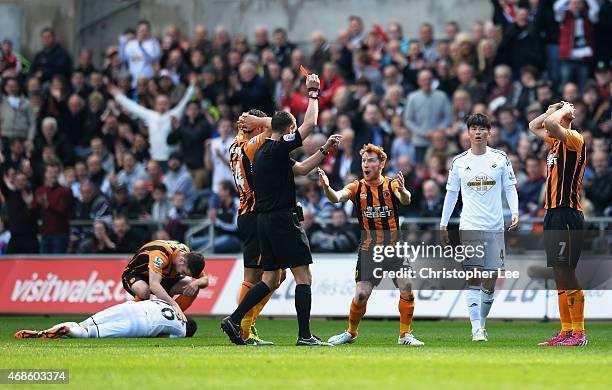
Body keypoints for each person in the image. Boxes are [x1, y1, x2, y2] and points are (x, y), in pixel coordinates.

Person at [221, 73, 338, 347]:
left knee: (271, 277)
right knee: (303, 277)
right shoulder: (273, 147)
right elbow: (310, 123)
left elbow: (300, 169)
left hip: (261, 220)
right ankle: (305, 336)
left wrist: (324, 149)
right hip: (283, 219)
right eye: (291, 130)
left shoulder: (260, 154)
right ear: (286, 131)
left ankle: (235, 320)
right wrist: (312, 93)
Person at [318, 144, 423, 346]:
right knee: (361, 295)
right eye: (364, 160)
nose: (366, 164)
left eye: (371, 160)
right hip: (369, 250)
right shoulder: (357, 187)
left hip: (394, 248)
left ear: (381, 163)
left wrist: (403, 190)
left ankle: (405, 335)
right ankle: (351, 332)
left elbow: (405, 199)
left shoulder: (391, 185)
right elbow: (337, 198)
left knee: (407, 285)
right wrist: (327, 188)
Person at [440, 113, 519, 342]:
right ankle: (476, 328)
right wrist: (444, 223)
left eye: (482, 128)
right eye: (473, 128)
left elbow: (510, 188)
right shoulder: (459, 162)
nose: (478, 132)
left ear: (489, 132)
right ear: (467, 133)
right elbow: (451, 194)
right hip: (470, 226)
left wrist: (514, 211)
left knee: (491, 279)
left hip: (495, 227)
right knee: (474, 276)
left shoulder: (501, 158)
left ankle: (481, 323)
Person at [528, 101, 587, 347]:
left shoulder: (575, 139)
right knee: (558, 272)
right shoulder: (553, 144)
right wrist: (553, 109)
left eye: (557, 118)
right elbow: (534, 125)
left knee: (567, 271)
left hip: (567, 213)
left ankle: (579, 333)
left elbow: (550, 124)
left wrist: (567, 110)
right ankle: (565, 331)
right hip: (552, 213)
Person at [109, 76, 196, 164]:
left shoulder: (175, 113)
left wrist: (192, 85)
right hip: (155, 159)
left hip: (172, 159)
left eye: (164, 103)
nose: (162, 106)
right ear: (155, 105)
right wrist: (118, 96)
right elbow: (133, 107)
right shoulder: (150, 115)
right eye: (160, 104)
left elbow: (185, 100)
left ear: (169, 104)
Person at [15, 299, 197, 339]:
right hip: (140, 324)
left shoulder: (166, 303)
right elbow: (163, 337)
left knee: (84, 324)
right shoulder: (181, 330)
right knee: (87, 334)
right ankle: (67, 331)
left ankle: (44, 333)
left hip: (129, 307)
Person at [121, 240, 207, 322]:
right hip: (135, 274)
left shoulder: (188, 255)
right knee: (144, 290)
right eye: (183, 272)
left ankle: (174, 316)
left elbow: (205, 279)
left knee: (192, 286)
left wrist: (196, 283)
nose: (183, 274)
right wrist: (173, 304)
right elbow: (154, 285)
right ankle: (134, 317)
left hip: (161, 276)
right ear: (181, 260)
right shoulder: (160, 255)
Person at [35, 160, 74, 253]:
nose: (53, 175)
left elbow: (62, 211)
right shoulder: (40, 190)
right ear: (45, 174)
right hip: (45, 233)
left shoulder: (65, 191)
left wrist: (48, 206)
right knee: (43, 263)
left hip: (60, 233)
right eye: (50, 172)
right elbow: (36, 211)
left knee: (58, 263)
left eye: (55, 172)